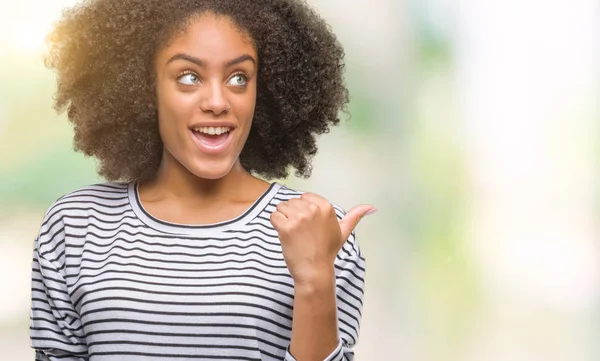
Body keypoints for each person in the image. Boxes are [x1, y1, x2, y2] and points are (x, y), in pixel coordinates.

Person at [30, 0, 375, 360]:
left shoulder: (317, 231)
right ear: (144, 88)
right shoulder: (75, 226)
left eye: (239, 78)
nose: (217, 101)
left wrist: (314, 279)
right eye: (189, 77)